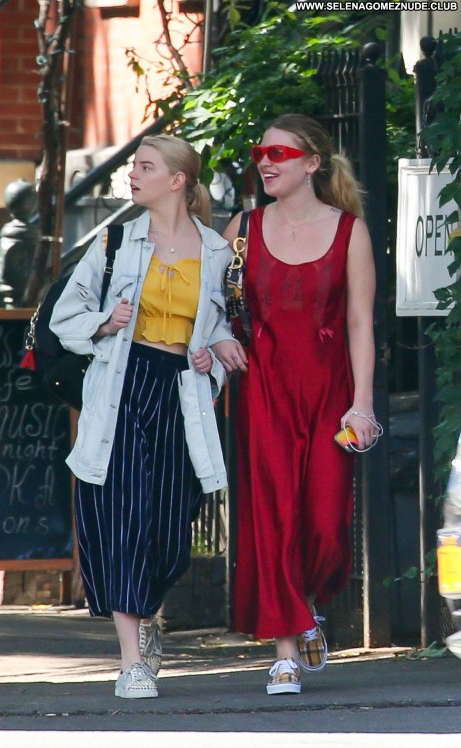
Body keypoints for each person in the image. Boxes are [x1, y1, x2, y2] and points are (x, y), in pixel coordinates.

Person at [50, 135, 233, 699]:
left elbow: (221, 330)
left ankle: (148, 613)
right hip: (122, 387)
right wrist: (106, 321)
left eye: (145, 167)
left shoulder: (217, 252)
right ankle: (131, 661)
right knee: (123, 516)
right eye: (133, 166)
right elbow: (65, 317)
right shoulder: (115, 242)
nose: (133, 175)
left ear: (177, 180)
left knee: (173, 529)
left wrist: (212, 359)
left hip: (181, 392)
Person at [213, 113, 379, 695]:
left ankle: (307, 605)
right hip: (264, 390)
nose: (265, 162)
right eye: (260, 152)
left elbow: (360, 323)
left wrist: (363, 404)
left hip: (330, 392)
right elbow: (211, 304)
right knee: (275, 515)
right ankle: (285, 650)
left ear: (312, 164)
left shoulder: (350, 231)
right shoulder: (242, 228)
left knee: (327, 524)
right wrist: (220, 337)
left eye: (279, 154)